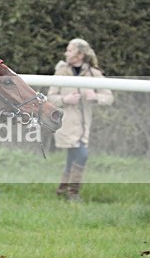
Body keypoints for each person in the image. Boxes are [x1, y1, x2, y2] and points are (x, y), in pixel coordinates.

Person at [47, 38, 113, 201]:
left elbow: (109, 97)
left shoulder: (94, 74)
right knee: (82, 154)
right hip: (66, 124)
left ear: (80, 55)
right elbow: (50, 97)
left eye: (70, 50)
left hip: (84, 126)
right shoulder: (61, 72)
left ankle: (62, 190)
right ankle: (73, 193)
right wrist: (65, 99)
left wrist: (95, 97)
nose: (66, 53)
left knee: (73, 157)